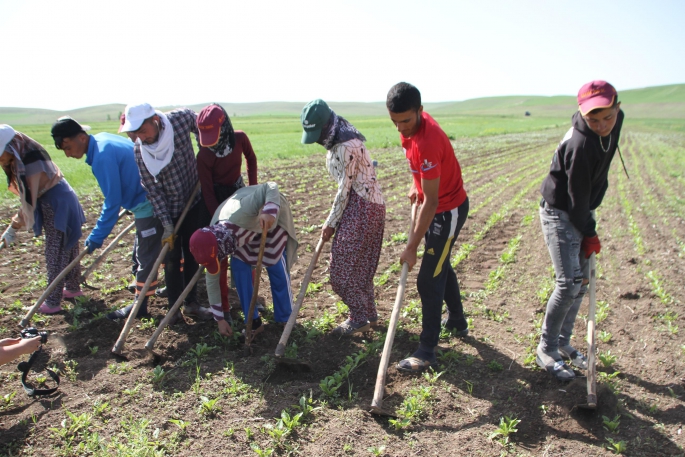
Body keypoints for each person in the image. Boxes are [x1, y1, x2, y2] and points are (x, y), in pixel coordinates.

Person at [537, 81, 624, 381]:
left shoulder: (616, 122)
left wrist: (588, 221)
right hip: (560, 212)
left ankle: (563, 343)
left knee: (582, 282)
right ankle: (546, 349)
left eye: (608, 118)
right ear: (581, 114)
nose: (602, 126)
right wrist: (590, 232)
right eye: (593, 120)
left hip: (581, 208)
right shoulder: (579, 144)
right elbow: (574, 203)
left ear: (618, 107)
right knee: (568, 283)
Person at [50, 117, 174, 321]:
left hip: (148, 203)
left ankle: (140, 306)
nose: (68, 154)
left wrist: (97, 236)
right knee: (158, 250)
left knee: (146, 255)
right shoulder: (102, 140)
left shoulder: (101, 156)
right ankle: (172, 287)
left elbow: (112, 200)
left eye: (68, 147)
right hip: (150, 197)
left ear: (81, 137)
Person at [386, 82, 469, 373]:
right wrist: (415, 182)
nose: (400, 129)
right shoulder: (409, 128)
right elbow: (419, 169)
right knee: (439, 264)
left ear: (420, 111)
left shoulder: (428, 141)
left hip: (448, 211)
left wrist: (411, 248)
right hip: (438, 205)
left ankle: (427, 351)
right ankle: (457, 321)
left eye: (406, 121)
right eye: (394, 122)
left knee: (428, 279)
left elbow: (431, 204)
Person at [300, 99, 385, 335]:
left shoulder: (345, 145)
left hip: (361, 207)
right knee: (360, 269)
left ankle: (359, 317)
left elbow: (344, 189)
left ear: (327, 125)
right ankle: (368, 314)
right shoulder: (346, 135)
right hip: (373, 206)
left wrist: (330, 223)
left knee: (340, 272)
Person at [121, 103, 211, 321]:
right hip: (169, 208)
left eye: (143, 131)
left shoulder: (179, 120)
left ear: (156, 121)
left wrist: (204, 150)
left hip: (194, 198)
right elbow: (152, 189)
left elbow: (201, 124)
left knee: (191, 253)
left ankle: (191, 304)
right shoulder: (139, 150)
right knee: (171, 258)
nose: (141, 137)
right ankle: (173, 310)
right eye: (135, 133)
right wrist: (167, 224)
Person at [189, 182, 298, 337]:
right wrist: (219, 319)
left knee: (275, 265)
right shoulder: (215, 243)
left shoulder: (242, 211)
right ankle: (253, 321)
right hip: (242, 233)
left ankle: (285, 318)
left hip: (269, 220)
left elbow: (270, 187)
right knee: (239, 268)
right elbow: (212, 282)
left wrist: (270, 210)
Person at [0, 125, 86, 314]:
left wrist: (13, 227)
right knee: (67, 248)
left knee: (56, 253)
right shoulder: (21, 158)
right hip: (59, 199)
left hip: (57, 204)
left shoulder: (30, 164)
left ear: (10, 147)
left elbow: (28, 202)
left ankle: (53, 301)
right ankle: (72, 289)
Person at [196, 104, 258, 318]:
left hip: (240, 197)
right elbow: (207, 191)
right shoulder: (204, 156)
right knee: (219, 255)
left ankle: (250, 301)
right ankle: (224, 308)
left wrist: (253, 190)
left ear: (224, 127)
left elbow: (251, 159)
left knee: (246, 250)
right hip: (217, 204)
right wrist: (218, 223)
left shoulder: (239, 139)